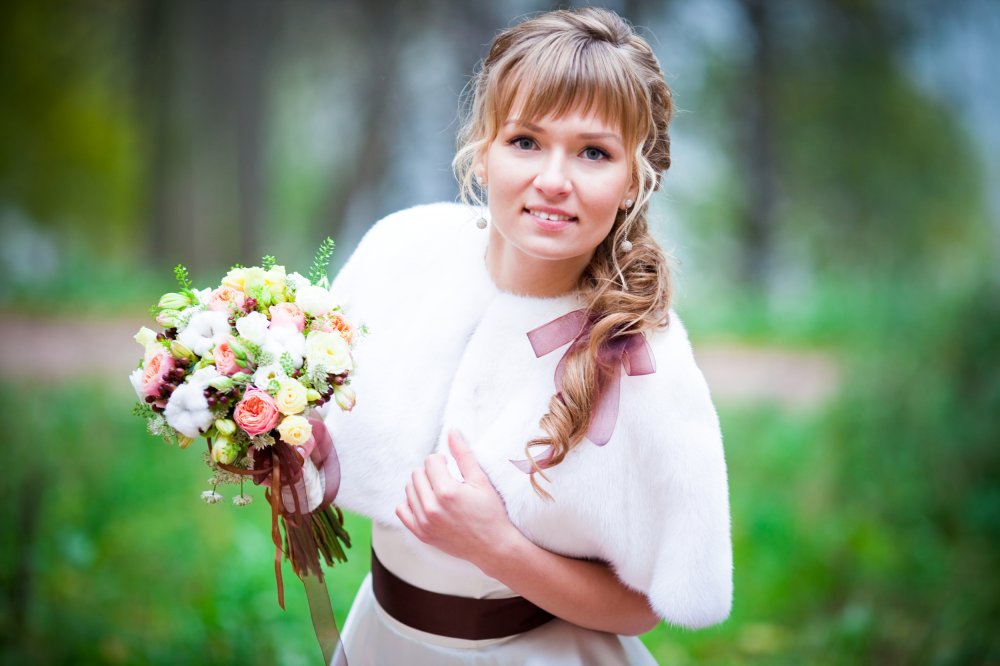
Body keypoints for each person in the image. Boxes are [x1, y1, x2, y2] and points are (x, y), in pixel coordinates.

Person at [321, 7, 732, 664]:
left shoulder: (644, 363)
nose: (553, 181)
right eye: (525, 141)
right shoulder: (403, 251)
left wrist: (497, 546)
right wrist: (295, 452)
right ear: (483, 151)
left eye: (594, 153)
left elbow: (643, 606)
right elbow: (347, 441)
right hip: (381, 640)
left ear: (633, 181)